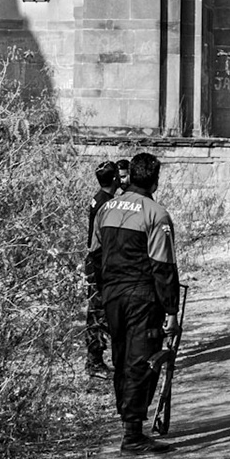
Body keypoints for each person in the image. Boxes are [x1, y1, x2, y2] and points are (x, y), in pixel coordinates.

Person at [88, 151, 180, 453]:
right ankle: (132, 435)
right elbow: (163, 268)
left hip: (112, 295)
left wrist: (101, 294)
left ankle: (128, 422)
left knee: (121, 356)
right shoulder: (156, 214)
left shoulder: (107, 208)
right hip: (142, 296)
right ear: (154, 180)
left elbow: (95, 255)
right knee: (142, 359)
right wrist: (171, 311)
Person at [83, 160, 123, 373]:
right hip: (99, 263)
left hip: (95, 261)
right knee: (98, 312)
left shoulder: (98, 198)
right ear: (115, 178)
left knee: (96, 311)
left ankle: (95, 359)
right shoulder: (106, 204)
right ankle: (94, 361)